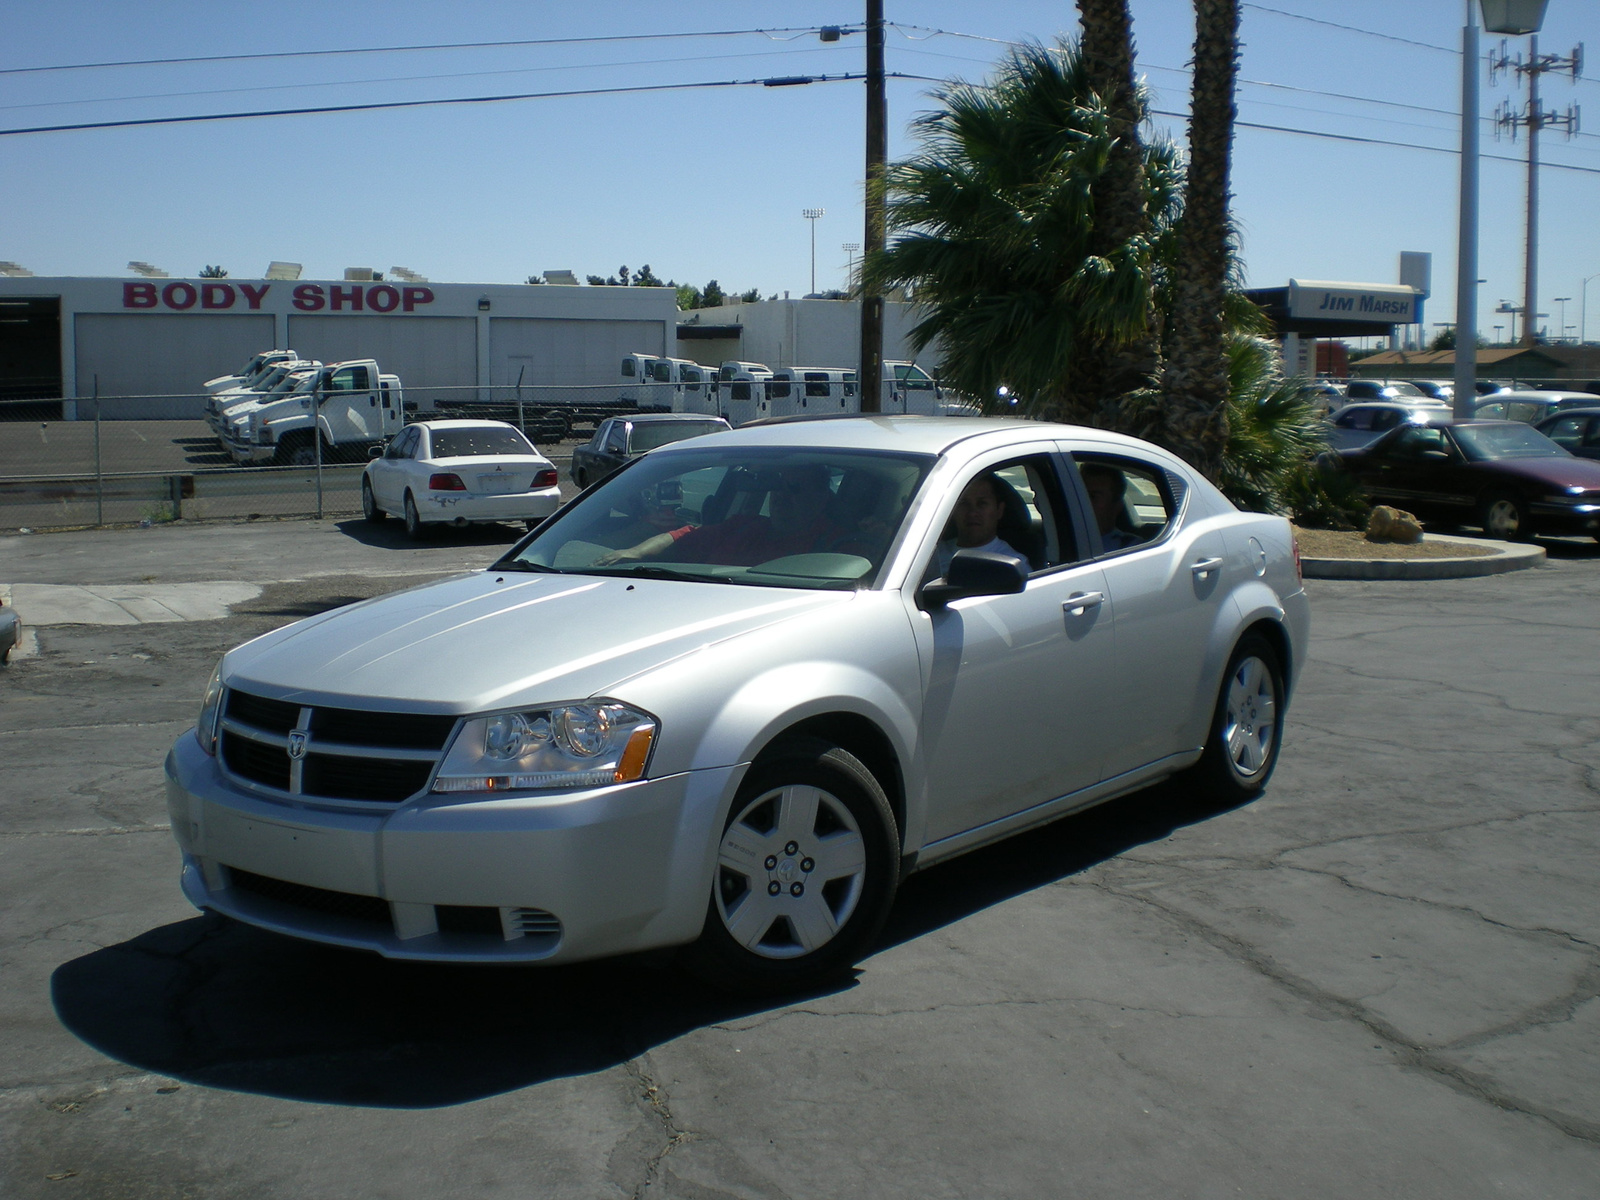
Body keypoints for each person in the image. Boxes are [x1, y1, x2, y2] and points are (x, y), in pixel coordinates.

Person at [597, 464, 843, 567]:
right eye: (777, 487)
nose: (781, 496)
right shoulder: (744, 526)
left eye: (795, 489)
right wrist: (634, 553)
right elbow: (678, 537)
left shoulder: (837, 546)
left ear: (821, 497)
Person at [930, 472, 1027, 578]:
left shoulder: (1013, 564)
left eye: (982, 503)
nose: (972, 513)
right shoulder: (930, 554)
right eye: (963, 503)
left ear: (999, 510)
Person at [1081, 463, 1143, 551]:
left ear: (1116, 506)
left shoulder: (1131, 548)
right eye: (1079, 495)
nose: (1084, 502)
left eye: (1093, 496)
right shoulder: (1059, 538)